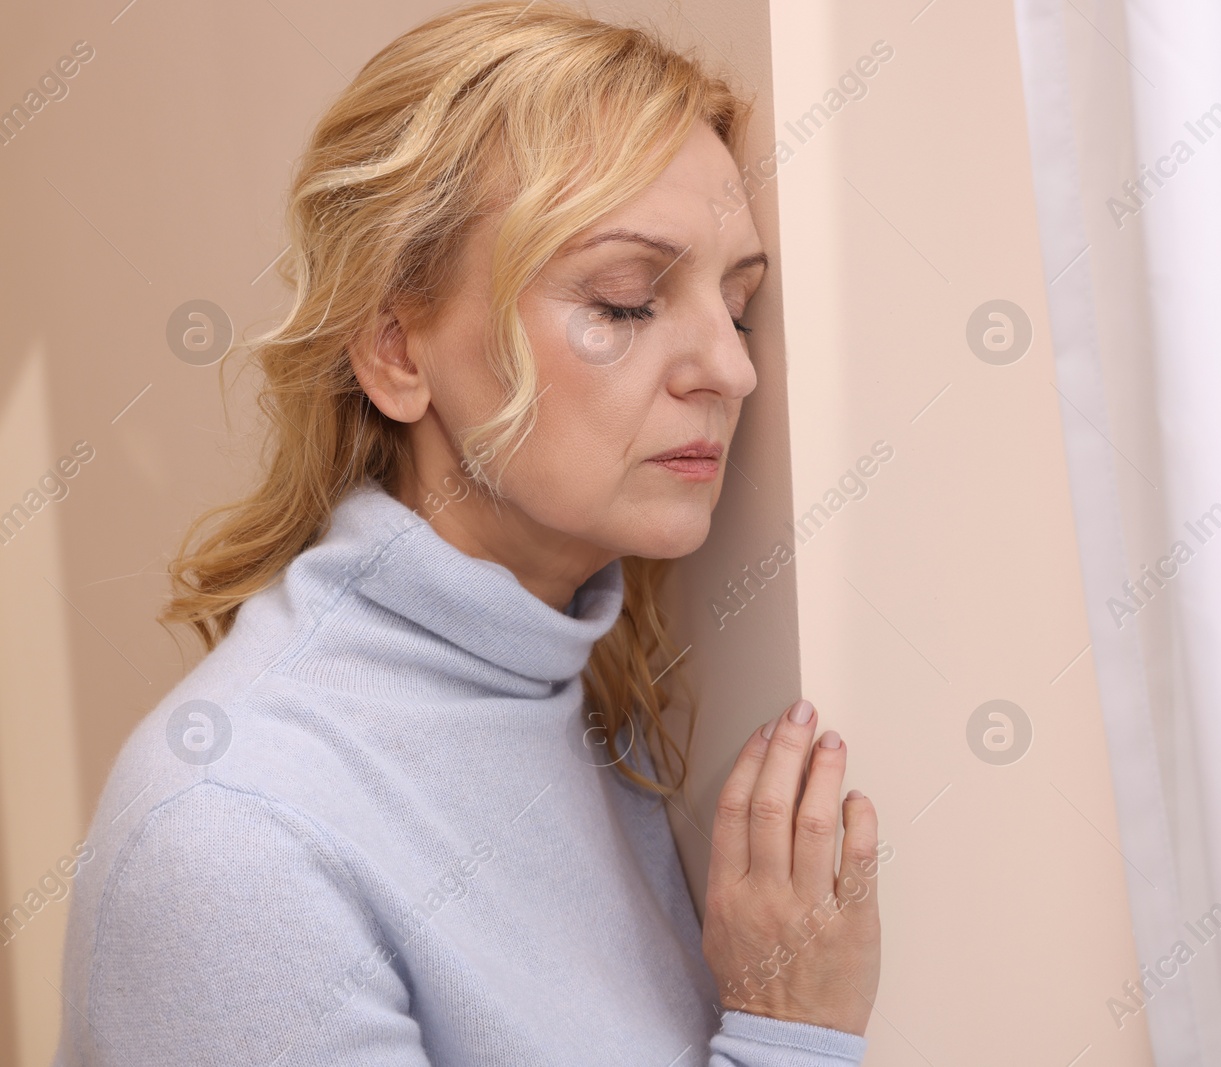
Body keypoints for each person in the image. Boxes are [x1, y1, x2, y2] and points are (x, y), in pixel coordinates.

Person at [51, 4, 882, 1063]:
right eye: (625, 301)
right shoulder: (231, 837)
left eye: (738, 306)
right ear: (396, 350)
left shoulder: (595, 715)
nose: (729, 369)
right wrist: (788, 1036)